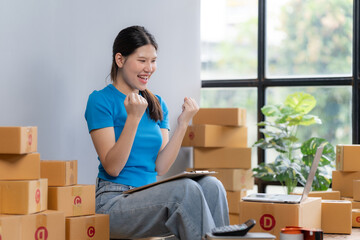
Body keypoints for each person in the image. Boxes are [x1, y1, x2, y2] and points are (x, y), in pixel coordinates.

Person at [85, 25, 229, 240]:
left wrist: (182, 124)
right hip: (114, 201)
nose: (149, 68)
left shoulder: (156, 103)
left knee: (211, 186)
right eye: (142, 60)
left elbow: (160, 167)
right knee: (186, 191)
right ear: (120, 60)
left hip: (151, 195)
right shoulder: (100, 101)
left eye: (153, 61)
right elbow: (112, 167)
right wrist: (132, 118)